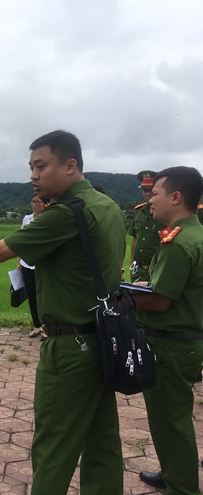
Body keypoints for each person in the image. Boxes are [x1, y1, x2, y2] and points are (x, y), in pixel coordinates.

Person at [0, 130, 126, 494]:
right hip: (103, 339)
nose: (33, 176)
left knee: (53, 445)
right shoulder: (109, 207)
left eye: (41, 166)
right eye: (31, 167)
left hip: (69, 348)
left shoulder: (65, 214)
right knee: (102, 441)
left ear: (70, 166)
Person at [131, 167, 203, 494]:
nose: (150, 200)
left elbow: (159, 301)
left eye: (156, 194)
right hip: (184, 341)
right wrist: (145, 286)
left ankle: (182, 487)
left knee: (170, 421)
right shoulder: (193, 234)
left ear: (176, 197)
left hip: (170, 343)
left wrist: (123, 296)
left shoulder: (178, 242)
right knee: (172, 419)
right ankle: (174, 473)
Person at [19, 193, 49, 340]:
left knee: (45, 296)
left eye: (38, 202)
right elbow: (22, 241)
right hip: (27, 263)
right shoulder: (27, 219)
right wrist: (19, 262)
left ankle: (46, 328)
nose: (35, 205)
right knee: (32, 295)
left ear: (45, 204)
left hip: (43, 264)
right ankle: (36, 325)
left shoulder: (49, 219)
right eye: (33, 202)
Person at [128, 171, 164, 283]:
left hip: (158, 270)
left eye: (151, 190)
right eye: (144, 190)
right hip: (138, 271)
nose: (147, 194)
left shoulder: (166, 213)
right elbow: (135, 239)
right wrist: (132, 265)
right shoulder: (139, 212)